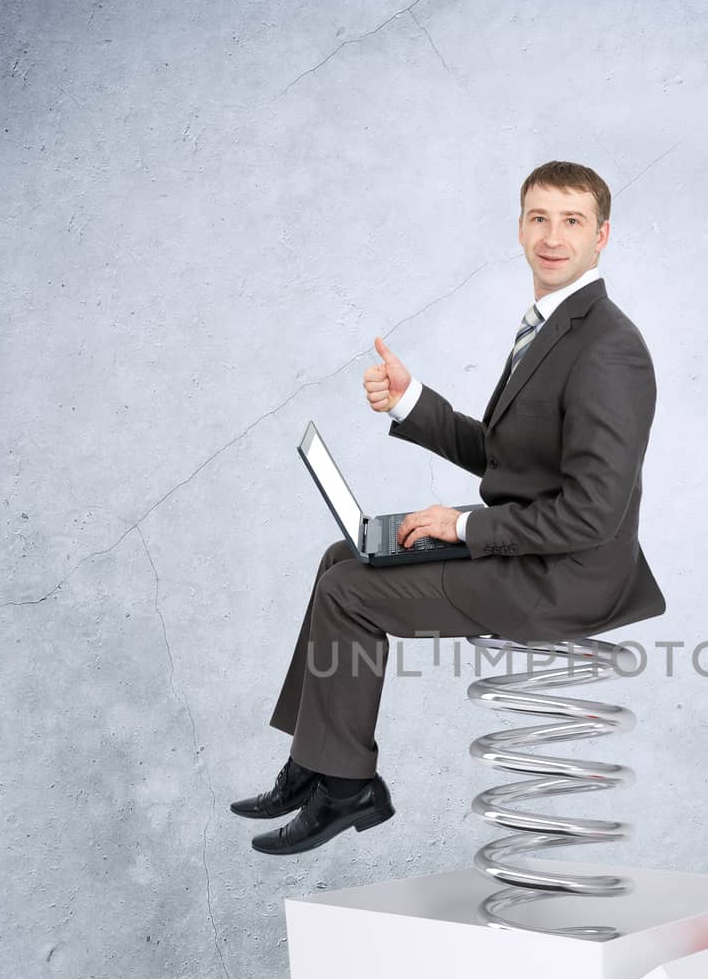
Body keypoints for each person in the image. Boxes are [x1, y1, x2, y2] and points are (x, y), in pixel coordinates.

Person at [233, 160, 666, 855]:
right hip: (536, 550)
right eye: (539, 217)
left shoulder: (608, 348)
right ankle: (313, 764)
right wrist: (411, 400)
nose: (553, 236)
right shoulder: (552, 327)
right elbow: (508, 456)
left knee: (351, 592)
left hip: (567, 576)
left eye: (572, 220)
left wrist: (462, 524)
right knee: (339, 558)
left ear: (601, 236)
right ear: (521, 227)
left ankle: (348, 789)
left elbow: (593, 516)